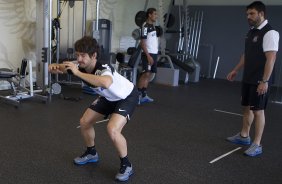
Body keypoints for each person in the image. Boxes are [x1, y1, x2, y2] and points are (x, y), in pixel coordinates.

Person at [48, 36, 138, 181]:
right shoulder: (80, 64)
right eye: (77, 54)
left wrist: (77, 73)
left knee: (112, 129)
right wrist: (53, 67)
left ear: (94, 55)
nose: (79, 59)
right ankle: (91, 153)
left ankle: (126, 164)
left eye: (83, 55)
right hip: (108, 97)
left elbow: (106, 82)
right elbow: (61, 67)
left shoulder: (104, 68)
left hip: (126, 97)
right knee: (84, 122)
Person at [226, 1, 279, 157]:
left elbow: (271, 58)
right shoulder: (251, 31)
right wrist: (236, 69)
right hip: (248, 77)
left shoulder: (270, 32)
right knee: (246, 107)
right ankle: (244, 136)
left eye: (252, 14)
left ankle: (257, 144)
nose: (248, 17)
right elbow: (246, 55)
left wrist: (265, 81)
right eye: (247, 14)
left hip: (260, 79)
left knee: (258, 111)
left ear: (261, 13)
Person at [137, 8, 159, 104]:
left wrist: (154, 55)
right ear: (149, 15)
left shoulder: (152, 26)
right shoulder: (145, 26)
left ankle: (144, 95)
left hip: (154, 53)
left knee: (149, 74)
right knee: (145, 74)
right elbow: (142, 43)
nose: (156, 16)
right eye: (154, 14)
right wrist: (148, 56)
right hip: (148, 54)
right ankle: (137, 96)